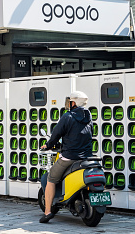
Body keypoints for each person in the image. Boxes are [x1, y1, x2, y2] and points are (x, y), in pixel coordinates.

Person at [39, 91, 92, 223]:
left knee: (51, 178)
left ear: (73, 103)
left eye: (70, 101)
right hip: (86, 157)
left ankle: (47, 212)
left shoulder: (68, 116)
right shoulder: (88, 116)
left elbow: (56, 133)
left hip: (69, 156)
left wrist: (48, 145)